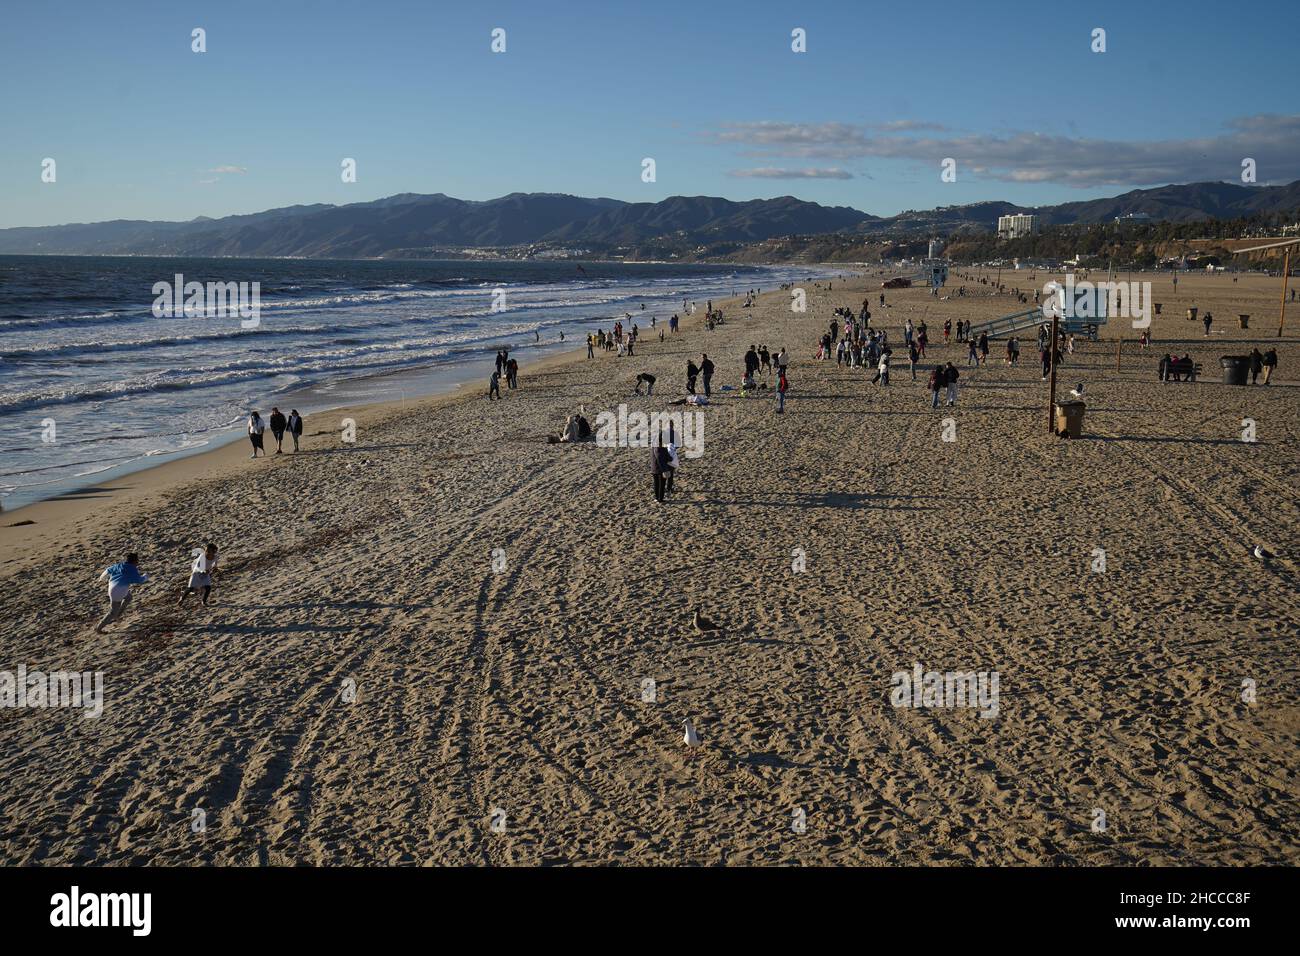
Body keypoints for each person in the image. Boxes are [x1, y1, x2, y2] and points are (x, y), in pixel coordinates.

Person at [96, 553, 148, 633]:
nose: (138, 562)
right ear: (135, 561)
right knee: (112, 612)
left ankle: (118, 614)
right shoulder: (132, 569)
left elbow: (107, 570)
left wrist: (101, 579)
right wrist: (146, 576)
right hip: (119, 591)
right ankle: (99, 628)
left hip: (112, 587)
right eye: (137, 560)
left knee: (128, 598)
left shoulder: (119, 565)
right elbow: (140, 580)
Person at [651, 436, 671, 503]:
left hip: (654, 468)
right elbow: (662, 460)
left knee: (656, 484)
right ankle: (660, 499)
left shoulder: (653, 447)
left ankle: (657, 498)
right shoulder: (661, 448)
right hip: (660, 469)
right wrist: (664, 470)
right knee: (661, 484)